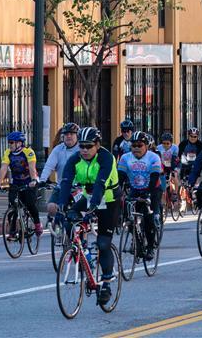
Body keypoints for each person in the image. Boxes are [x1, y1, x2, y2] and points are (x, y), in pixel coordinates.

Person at [57, 127, 120, 306]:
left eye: (88, 146)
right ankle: (82, 252)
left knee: (103, 243)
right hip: (89, 198)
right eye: (82, 146)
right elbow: (66, 182)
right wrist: (62, 205)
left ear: (97, 145)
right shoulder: (74, 159)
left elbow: (100, 184)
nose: (84, 150)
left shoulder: (106, 158)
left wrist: (92, 208)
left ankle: (107, 281)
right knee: (69, 219)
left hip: (109, 200)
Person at [117, 131, 163, 260]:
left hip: (153, 189)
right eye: (134, 145)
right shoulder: (126, 158)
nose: (136, 148)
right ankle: (136, 239)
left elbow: (154, 178)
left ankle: (150, 247)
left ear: (146, 146)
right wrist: (117, 192)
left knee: (149, 218)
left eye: (140, 145)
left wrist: (148, 194)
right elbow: (120, 177)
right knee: (129, 215)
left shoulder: (153, 157)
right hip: (135, 189)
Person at [0, 131, 42, 238]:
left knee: (30, 204)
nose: (9, 145)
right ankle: (12, 231)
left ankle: (37, 224)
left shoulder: (28, 152)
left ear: (19, 143)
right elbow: (4, 168)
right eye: (9, 143)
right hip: (16, 182)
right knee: (13, 206)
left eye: (11, 143)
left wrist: (33, 180)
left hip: (29, 181)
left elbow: (32, 167)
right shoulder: (8, 153)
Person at [38, 122, 81, 220]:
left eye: (71, 134)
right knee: (51, 207)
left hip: (79, 187)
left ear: (77, 135)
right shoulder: (58, 149)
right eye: (66, 134)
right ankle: (58, 226)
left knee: (81, 210)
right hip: (61, 186)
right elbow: (49, 166)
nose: (68, 136)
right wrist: (42, 180)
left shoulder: (82, 148)